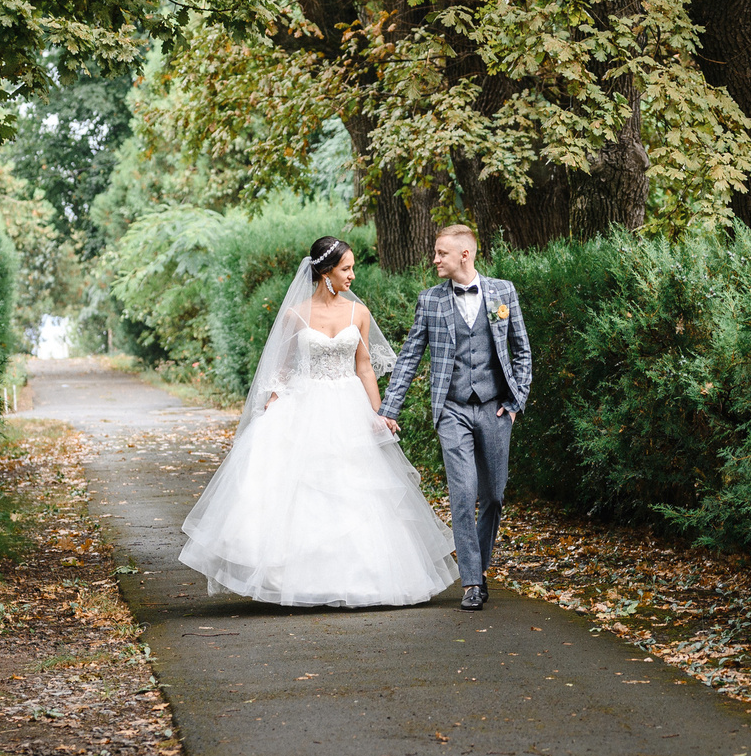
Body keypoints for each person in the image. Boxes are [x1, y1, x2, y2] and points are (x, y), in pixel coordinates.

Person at [176, 237, 458, 608]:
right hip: (305, 404)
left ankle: (362, 579)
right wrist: (271, 409)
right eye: (346, 269)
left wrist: (380, 413)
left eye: (352, 268)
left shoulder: (359, 313)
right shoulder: (296, 314)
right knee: (300, 491)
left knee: (355, 488)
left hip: (348, 407)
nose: (352, 276)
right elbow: (283, 369)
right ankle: (296, 579)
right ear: (325, 273)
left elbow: (364, 367)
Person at [378, 223, 533, 611]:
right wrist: (388, 409)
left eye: (441, 253)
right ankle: (472, 582)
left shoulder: (503, 292)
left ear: (465, 254)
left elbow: (522, 352)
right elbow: (410, 356)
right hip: (452, 409)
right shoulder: (430, 300)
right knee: (463, 494)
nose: (434, 259)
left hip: (495, 408)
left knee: (493, 496)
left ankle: (477, 567)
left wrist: (516, 404)